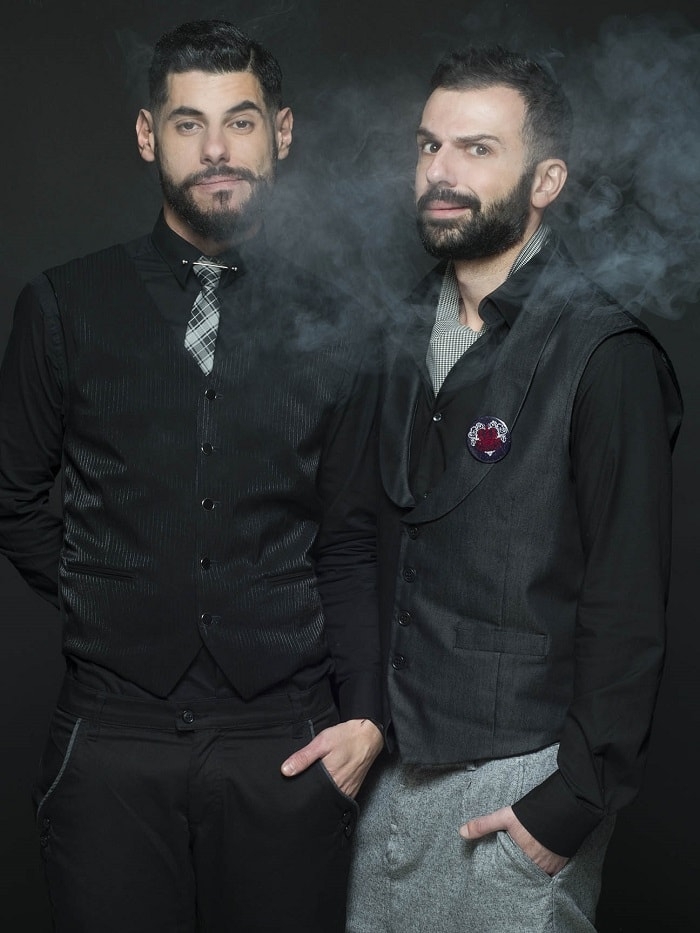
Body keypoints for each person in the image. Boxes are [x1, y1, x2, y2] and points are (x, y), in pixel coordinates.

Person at [0, 19, 384, 933]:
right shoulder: (62, 305)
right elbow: (12, 497)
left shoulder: (344, 322)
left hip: (283, 740)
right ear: (148, 136)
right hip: (111, 742)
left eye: (240, 121)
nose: (216, 149)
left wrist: (368, 717)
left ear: (280, 133)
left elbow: (351, 537)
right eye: (188, 123)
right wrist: (111, 590)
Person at [346, 45, 682, 932]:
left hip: (518, 793)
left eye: (478, 148)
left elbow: (627, 597)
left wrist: (570, 804)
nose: (441, 172)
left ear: (547, 180)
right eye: (430, 145)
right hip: (385, 782)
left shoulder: (606, 353)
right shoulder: (390, 334)